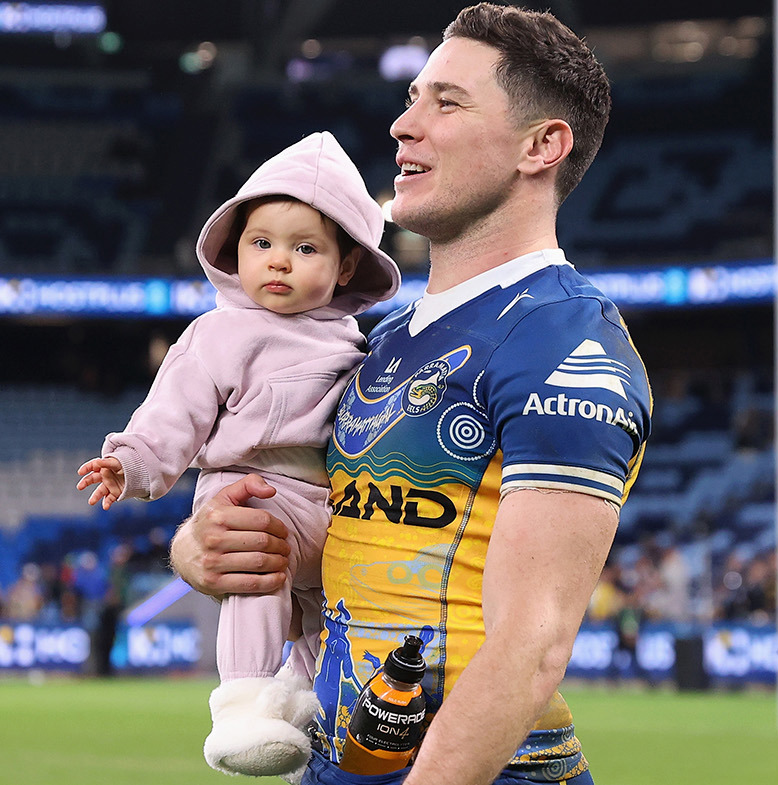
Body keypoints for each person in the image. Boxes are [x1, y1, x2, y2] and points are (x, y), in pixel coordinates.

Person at [170, 6, 651, 784]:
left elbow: (531, 646)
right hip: (340, 757)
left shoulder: (565, 342)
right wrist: (202, 547)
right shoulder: (378, 339)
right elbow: (352, 538)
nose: (403, 125)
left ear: (541, 146)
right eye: (411, 98)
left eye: (446, 102)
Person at [76, 131, 399, 779]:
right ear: (235, 249)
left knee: (334, 604)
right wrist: (131, 462)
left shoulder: (358, 343)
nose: (279, 261)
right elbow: (175, 411)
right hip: (256, 488)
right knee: (259, 564)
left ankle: (306, 696)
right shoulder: (219, 333)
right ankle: (244, 706)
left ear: (345, 268)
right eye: (261, 243)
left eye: (305, 248)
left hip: (332, 505)